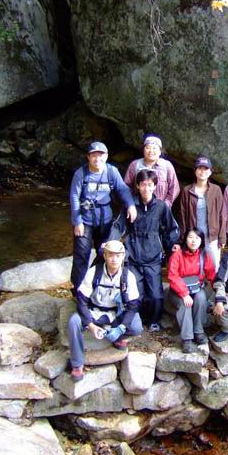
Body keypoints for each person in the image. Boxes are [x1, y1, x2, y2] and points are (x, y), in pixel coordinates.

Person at [111, 169, 180, 332]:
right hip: (133, 256)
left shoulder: (161, 207)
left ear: (155, 186)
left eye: (150, 185)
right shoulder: (130, 206)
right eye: (143, 185)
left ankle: (154, 320)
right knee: (137, 293)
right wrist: (110, 243)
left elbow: (171, 229)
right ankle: (138, 320)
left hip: (153, 257)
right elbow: (118, 226)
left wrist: (172, 245)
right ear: (137, 185)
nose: (146, 188)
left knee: (156, 295)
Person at [67, 240, 142, 381]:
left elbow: (133, 306)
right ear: (105, 256)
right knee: (74, 322)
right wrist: (90, 325)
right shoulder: (94, 272)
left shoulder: (128, 277)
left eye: (118, 255)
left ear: (123, 256)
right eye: (111, 255)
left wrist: (121, 328)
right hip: (95, 311)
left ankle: (118, 338)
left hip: (115, 313)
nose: (114, 259)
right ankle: (77, 364)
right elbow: (81, 301)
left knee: (137, 326)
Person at [69, 141, 136, 291]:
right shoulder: (81, 174)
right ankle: (78, 288)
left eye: (101, 155)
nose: (97, 159)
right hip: (85, 220)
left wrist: (131, 205)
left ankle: (99, 284)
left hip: (105, 221)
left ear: (106, 156)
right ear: (88, 157)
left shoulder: (111, 172)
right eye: (94, 155)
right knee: (81, 254)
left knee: (104, 252)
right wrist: (77, 221)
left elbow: (122, 189)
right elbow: (74, 197)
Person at [167, 228, 217, 353]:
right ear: (185, 239)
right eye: (190, 237)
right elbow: (173, 276)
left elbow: (211, 275)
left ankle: (198, 331)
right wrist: (184, 294)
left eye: (197, 238)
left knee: (201, 297)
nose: (194, 241)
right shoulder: (177, 255)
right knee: (186, 304)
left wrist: (220, 292)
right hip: (177, 292)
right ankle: (187, 338)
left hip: (196, 289)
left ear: (201, 241)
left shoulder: (204, 256)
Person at [176, 155, 226, 268]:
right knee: (195, 268)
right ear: (195, 171)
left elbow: (222, 215)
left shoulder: (216, 190)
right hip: (194, 237)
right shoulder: (187, 190)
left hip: (211, 237)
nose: (202, 171)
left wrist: (222, 237)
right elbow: (182, 216)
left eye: (206, 168)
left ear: (210, 172)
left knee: (214, 267)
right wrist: (182, 239)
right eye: (199, 168)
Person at [124, 134, 180, 207]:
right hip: (138, 208)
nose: (151, 151)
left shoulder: (167, 166)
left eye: (154, 148)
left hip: (161, 208)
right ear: (143, 150)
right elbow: (126, 187)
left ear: (160, 151)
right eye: (148, 147)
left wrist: (165, 205)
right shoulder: (135, 165)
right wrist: (132, 204)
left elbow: (174, 188)